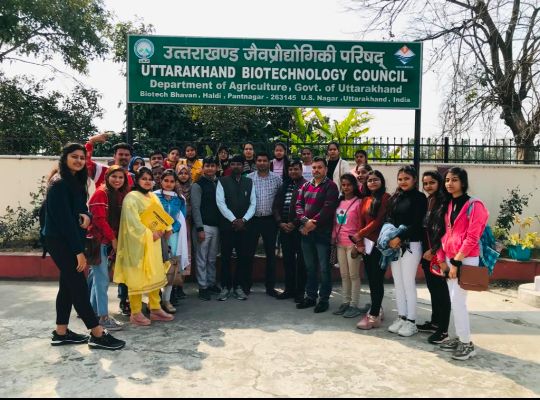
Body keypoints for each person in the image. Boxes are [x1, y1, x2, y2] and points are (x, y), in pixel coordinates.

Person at [44, 143, 125, 350]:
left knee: (68, 286)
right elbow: (63, 221)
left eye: (82, 157)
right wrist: (78, 251)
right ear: (64, 158)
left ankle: (61, 333)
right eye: (74, 157)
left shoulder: (76, 182)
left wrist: (86, 217)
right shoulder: (59, 183)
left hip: (70, 238)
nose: (79, 160)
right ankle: (97, 334)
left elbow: (82, 211)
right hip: (60, 240)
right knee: (78, 286)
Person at [436, 167, 489, 361]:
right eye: (447, 180)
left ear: (463, 183)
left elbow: (472, 236)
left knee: (458, 301)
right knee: (454, 300)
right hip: (451, 258)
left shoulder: (475, 205)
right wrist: (443, 259)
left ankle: (467, 344)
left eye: (454, 180)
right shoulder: (449, 204)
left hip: (465, 258)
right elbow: (445, 234)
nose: (449, 183)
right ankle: (457, 337)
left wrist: (457, 262)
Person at [113, 167, 174, 326]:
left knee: (156, 273)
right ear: (137, 180)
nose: (147, 181)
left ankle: (155, 308)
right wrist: (149, 234)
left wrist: (167, 228)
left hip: (153, 244)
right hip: (137, 245)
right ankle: (136, 312)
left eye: (150, 178)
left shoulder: (153, 196)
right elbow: (131, 223)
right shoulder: (131, 198)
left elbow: (160, 215)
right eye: (144, 178)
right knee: (137, 277)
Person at [386, 165, 428, 337]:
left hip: (411, 244)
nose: (403, 182)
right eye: (400, 179)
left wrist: (400, 237)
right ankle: (402, 317)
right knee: (398, 282)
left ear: (414, 179)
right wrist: (390, 237)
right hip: (394, 245)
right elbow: (389, 218)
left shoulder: (419, 198)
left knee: (408, 282)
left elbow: (417, 223)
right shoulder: (396, 197)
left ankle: (411, 321)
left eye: (406, 178)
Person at [87, 165, 129, 332]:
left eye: (121, 177)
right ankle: (103, 317)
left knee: (98, 279)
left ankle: (93, 313)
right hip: (98, 241)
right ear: (107, 177)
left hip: (105, 241)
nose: (117, 180)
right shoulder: (101, 193)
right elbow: (99, 219)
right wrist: (113, 239)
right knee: (102, 280)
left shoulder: (117, 194)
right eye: (114, 176)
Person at [296, 157, 339, 313]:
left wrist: (310, 224)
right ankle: (311, 297)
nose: (316, 170)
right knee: (310, 267)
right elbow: (298, 205)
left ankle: (324, 300)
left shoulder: (331, 186)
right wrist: (305, 221)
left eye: (319, 167)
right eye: (314, 167)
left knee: (324, 269)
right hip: (306, 234)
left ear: (326, 169)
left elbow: (328, 208)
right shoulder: (305, 186)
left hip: (322, 234)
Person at [216, 154, 256, 301]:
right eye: (233, 164)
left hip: (244, 227)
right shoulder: (222, 181)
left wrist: (244, 220)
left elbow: (253, 203)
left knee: (242, 257)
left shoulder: (249, 182)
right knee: (225, 257)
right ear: (230, 166)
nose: (236, 167)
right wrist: (234, 220)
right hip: (227, 226)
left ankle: (238, 287)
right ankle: (225, 287)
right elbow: (220, 203)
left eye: (239, 164)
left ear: (243, 166)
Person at [417, 171, 451, 344]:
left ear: (439, 183)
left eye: (432, 183)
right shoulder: (429, 200)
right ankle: (435, 322)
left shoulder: (444, 202)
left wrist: (435, 250)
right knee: (432, 289)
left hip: (438, 253)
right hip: (427, 252)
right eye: (425, 183)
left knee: (441, 292)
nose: (428, 186)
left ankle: (443, 330)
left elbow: (445, 231)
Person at [354, 170, 391, 330]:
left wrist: (359, 235)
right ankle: (377, 309)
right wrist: (360, 242)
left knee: (377, 279)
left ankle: (374, 315)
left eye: (376, 180)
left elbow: (378, 221)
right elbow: (360, 221)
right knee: (371, 279)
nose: (372, 183)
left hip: (379, 245)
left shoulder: (385, 198)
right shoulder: (365, 200)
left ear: (381, 181)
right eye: (369, 181)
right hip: (367, 246)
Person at [247, 152, 283, 296]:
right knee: (248, 254)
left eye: (264, 160)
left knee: (270, 255)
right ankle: (246, 286)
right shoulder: (249, 179)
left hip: (270, 221)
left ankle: (270, 287)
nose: (262, 163)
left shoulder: (277, 179)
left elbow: (280, 200)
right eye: (259, 160)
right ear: (256, 162)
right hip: (253, 220)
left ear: (269, 162)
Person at [154, 169, 189, 314]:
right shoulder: (153, 196)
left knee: (170, 268)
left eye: (172, 181)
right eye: (166, 180)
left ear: (176, 183)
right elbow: (150, 215)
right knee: (155, 266)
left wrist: (171, 230)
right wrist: (161, 230)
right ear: (160, 181)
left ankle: (166, 300)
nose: (168, 184)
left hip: (173, 236)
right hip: (155, 235)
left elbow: (182, 218)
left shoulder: (180, 199)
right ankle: (154, 301)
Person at [272, 159, 307, 302]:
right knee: (288, 261)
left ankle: (300, 292)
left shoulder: (306, 185)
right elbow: (276, 206)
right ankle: (289, 290)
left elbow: (307, 208)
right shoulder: (284, 185)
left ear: (301, 170)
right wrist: (280, 223)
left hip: (299, 230)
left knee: (301, 262)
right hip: (284, 230)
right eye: (291, 169)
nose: (293, 171)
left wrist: (294, 223)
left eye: (296, 169)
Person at [331, 173, 364, 319]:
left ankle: (354, 305)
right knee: (344, 275)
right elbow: (335, 223)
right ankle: (345, 302)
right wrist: (333, 237)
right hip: (339, 243)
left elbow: (361, 224)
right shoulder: (338, 202)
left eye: (349, 185)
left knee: (354, 275)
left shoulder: (359, 202)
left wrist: (359, 244)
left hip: (353, 245)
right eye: (343, 185)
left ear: (355, 186)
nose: (346, 188)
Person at [191, 157, 222, 301]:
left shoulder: (218, 182)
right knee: (201, 258)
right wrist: (199, 228)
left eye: (212, 166)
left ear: (217, 167)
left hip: (216, 227)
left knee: (211, 258)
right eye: (207, 166)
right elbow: (195, 208)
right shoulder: (198, 185)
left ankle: (211, 283)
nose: (210, 168)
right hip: (203, 227)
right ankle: (202, 287)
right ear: (203, 168)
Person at [172, 164, 192, 302]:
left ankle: (180, 286)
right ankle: (171, 287)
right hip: (174, 226)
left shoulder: (193, 187)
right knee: (173, 254)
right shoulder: (173, 189)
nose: (183, 175)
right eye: (181, 173)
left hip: (188, 225)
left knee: (185, 254)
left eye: (186, 173)